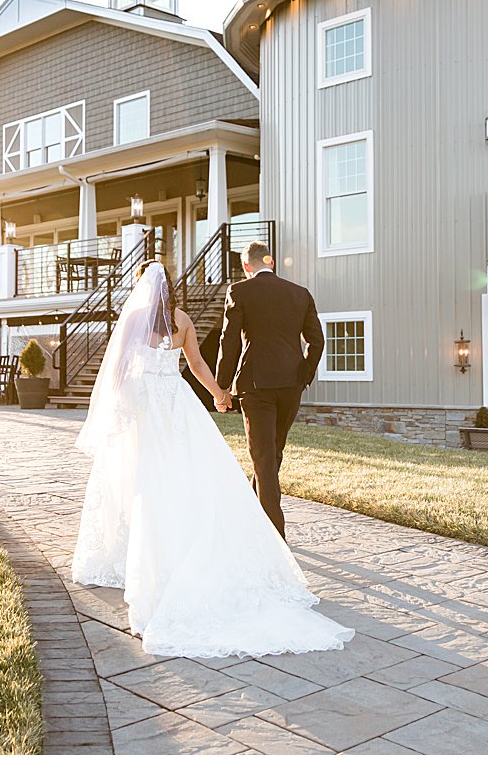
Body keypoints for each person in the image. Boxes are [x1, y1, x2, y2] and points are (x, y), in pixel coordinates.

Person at [70, 259, 352, 659]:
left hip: (143, 406)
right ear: (171, 288)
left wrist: (116, 404)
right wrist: (219, 393)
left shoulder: (132, 318)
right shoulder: (182, 319)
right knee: (187, 475)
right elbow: (197, 364)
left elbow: (116, 368)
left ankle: (140, 551)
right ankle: (206, 535)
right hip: (176, 402)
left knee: (138, 477)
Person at [214, 241, 325, 540]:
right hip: (291, 386)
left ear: (246, 267)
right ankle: (252, 517)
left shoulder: (239, 291)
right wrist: (303, 375)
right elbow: (317, 342)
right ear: (271, 262)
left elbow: (229, 341)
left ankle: (274, 540)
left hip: (256, 385)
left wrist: (221, 386)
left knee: (264, 458)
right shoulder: (300, 294)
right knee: (272, 455)